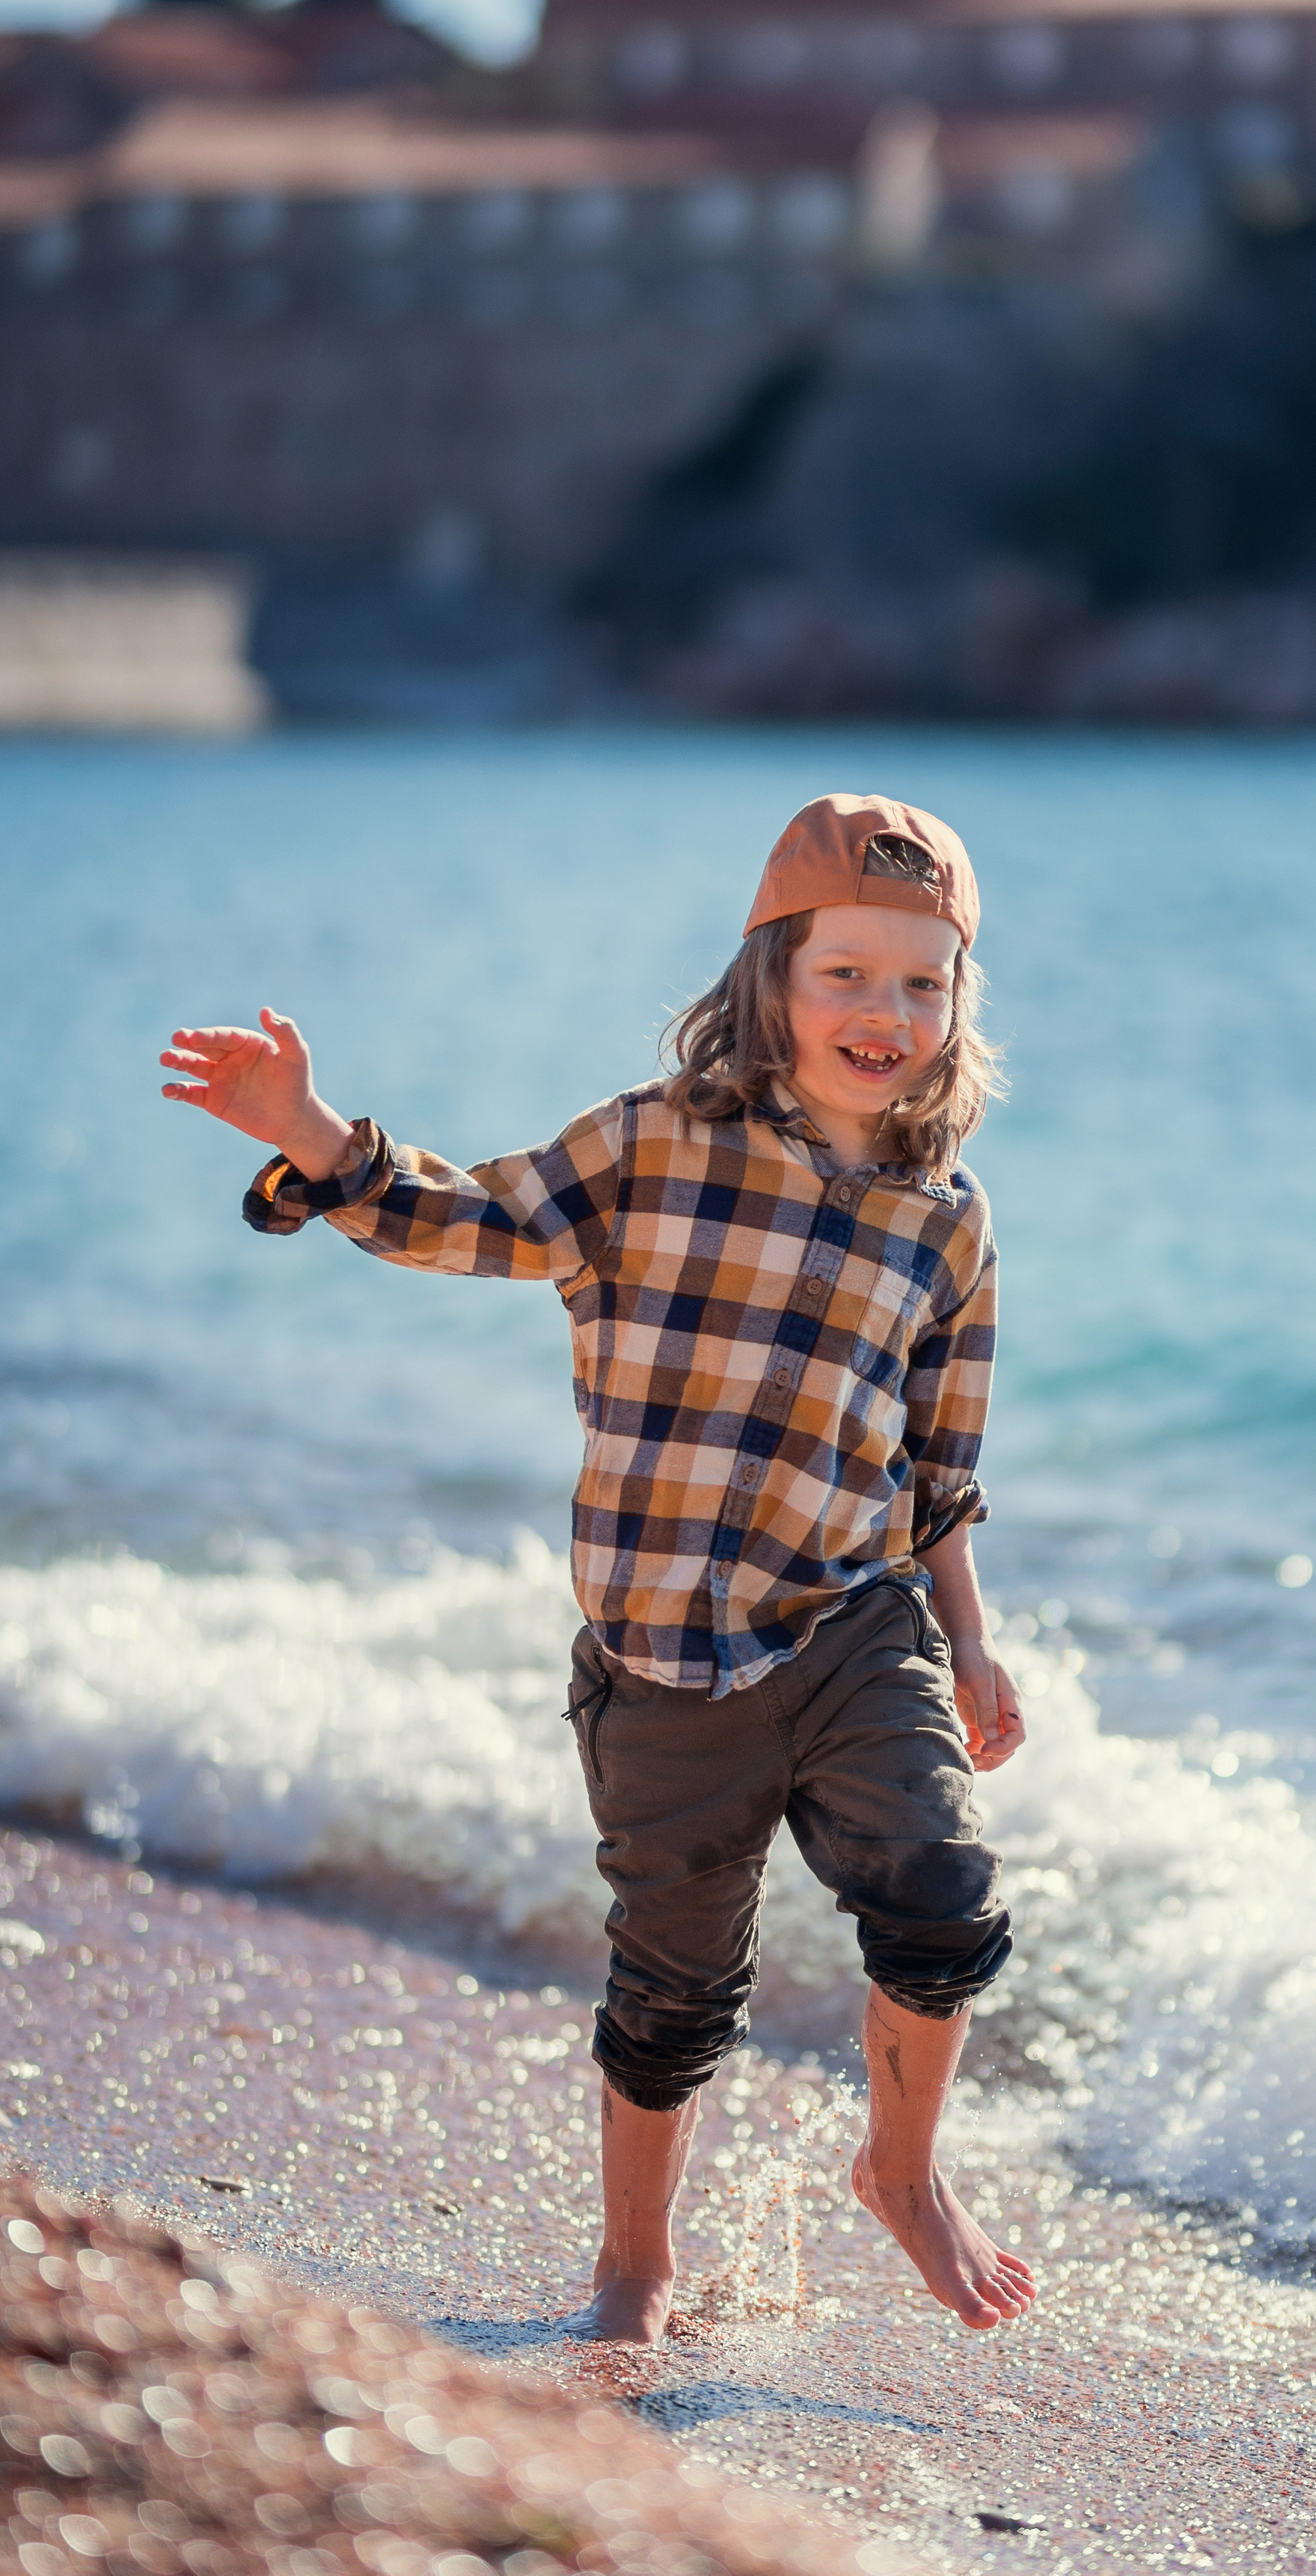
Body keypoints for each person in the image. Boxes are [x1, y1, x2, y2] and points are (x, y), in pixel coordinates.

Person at [158, 792, 1035, 2343]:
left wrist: (968, 1645)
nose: (881, 1013)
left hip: (848, 1623)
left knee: (944, 1901)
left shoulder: (947, 1225)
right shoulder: (649, 1147)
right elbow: (461, 1221)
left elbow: (935, 1468)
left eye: (920, 982)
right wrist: (310, 1134)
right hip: (657, 1661)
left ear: (957, 1002)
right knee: (672, 2000)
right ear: (769, 977)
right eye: (844, 975)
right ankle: (634, 2262)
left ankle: (900, 2172)